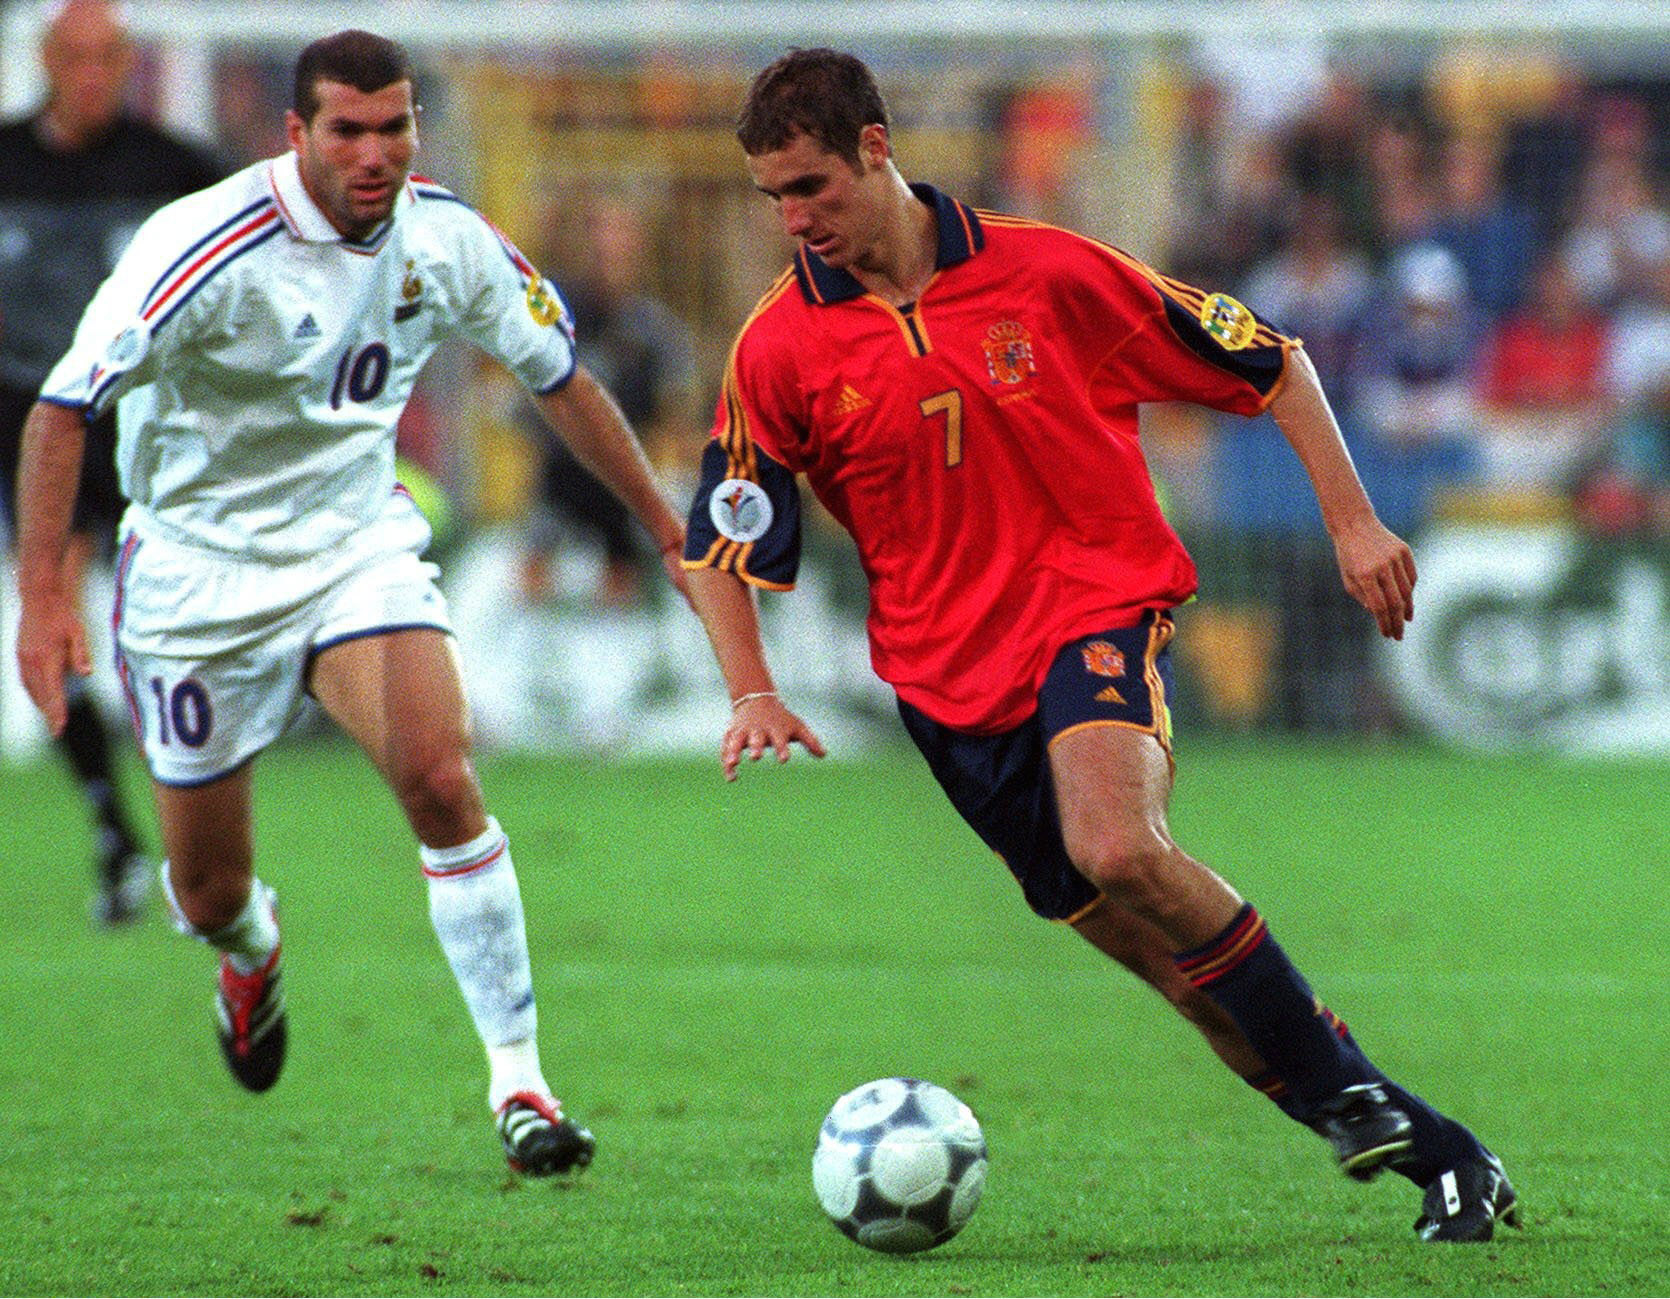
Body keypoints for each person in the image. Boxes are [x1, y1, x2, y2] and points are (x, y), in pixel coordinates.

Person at [681, 48, 1518, 1243]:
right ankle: (1438, 1153)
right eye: (772, 197)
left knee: (1119, 843)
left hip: (1093, 606)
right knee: (1185, 983)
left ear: (874, 148)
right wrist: (748, 688)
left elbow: (1268, 361)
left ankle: (1354, 1100)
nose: (793, 219)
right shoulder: (778, 350)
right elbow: (721, 539)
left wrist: (1352, 523)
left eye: (808, 186)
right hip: (946, 692)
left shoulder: (1047, 271)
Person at [15, 30, 687, 1176]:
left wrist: (668, 528)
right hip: (193, 579)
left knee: (438, 777)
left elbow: (560, 381)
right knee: (206, 886)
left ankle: (519, 1082)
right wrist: (42, 599)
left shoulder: (446, 239)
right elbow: (62, 408)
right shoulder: (203, 244)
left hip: (351, 550)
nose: (375, 153)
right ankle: (251, 947)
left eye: (394, 126)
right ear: (297, 133)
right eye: (347, 130)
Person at [0, 0, 225, 925]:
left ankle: (166, 845)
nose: (94, 76)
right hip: (29, 423)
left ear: (127, 63)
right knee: (55, 616)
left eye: (109, 59)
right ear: (49, 61)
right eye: (77, 58)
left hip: (144, 421)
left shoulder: (175, 168)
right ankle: (118, 831)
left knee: (159, 630)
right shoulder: (5, 161)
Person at [518, 196, 699, 608]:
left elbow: (675, 413)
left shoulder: (655, 331)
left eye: (623, 237)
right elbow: (516, 387)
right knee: (531, 584)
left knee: (621, 595)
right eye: (604, 236)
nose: (612, 249)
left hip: (623, 481)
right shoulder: (555, 311)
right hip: (560, 474)